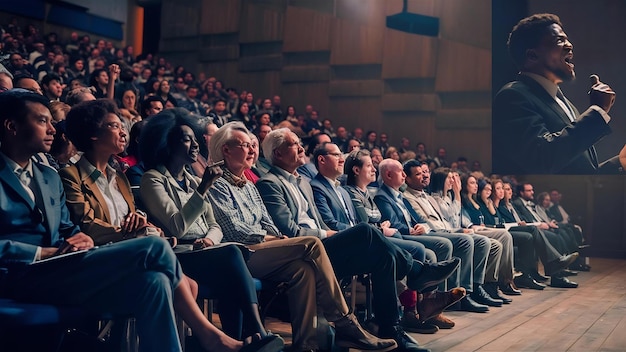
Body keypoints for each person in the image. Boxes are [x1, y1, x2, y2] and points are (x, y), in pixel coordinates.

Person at [0, 90, 272, 352]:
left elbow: (67, 229)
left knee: (155, 282)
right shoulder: (67, 174)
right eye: (42, 121)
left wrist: (78, 238)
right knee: (156, 249)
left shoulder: (47, 177)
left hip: (60, 268)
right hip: (17, 274)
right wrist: (44, 251)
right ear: (11, 126)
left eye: (50, 121)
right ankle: (211, 338)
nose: (52, 130)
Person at [257, 128, 461, 352]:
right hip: (306, 252)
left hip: (324, 248)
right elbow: (292, 231)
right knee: (366, 231)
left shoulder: (303, 183)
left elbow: (320, 223)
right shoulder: (269, 184)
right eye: (294, 144)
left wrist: (329, 233)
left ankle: (390, 328)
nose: (301, 148)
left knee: (384, 258)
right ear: (277, 154)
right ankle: (416, 272)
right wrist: (330, 234)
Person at [207, 122, 398, 351]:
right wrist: (273, 239)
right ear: (226, 150)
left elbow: (268, 223)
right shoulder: (215, 182)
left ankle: (305, 344)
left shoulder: (248, 185)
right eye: (245, 145)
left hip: (264, 249)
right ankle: (346, 324)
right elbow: (237, 231)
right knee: (313, 243)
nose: (252, 150)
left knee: (303, 271)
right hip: (240, 254)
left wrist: (274, 237)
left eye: (252, 145)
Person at [342, 149, 465, 332]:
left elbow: (377, 221)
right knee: (417, 251)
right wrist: (382, 227)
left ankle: (428, 307)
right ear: (356, 170)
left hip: (384, 236)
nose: (373, 168)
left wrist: (384, 227)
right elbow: (367, 223)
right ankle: (411, 311)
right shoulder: (368, 194)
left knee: (427, 250)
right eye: (369, 165)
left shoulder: (368, 194)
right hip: (371, 241)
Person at [493, 13, 619, 174]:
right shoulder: (512, 96)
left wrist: (621, 162)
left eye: (566, 39)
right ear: (532, 55)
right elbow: (541, 158)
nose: (569, 45)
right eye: (559, 40)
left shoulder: (567, 105)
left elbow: (582, 171)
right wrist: (597, 111)